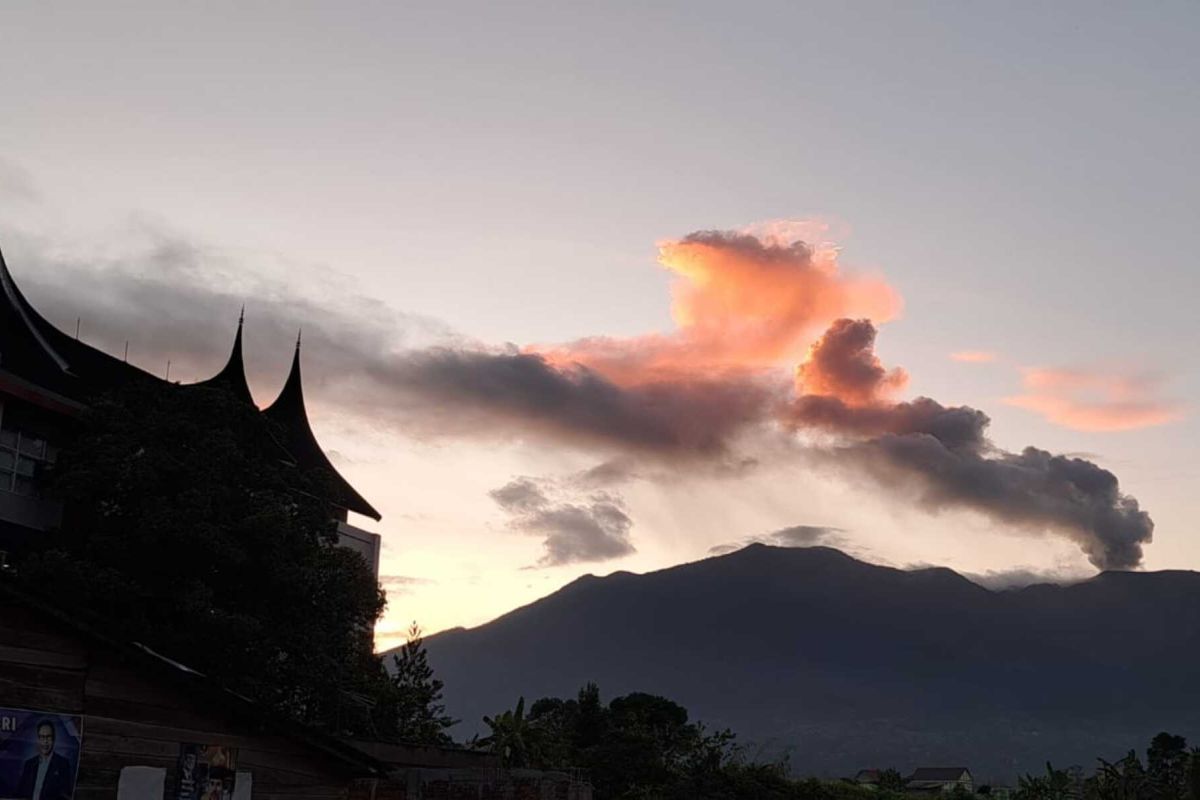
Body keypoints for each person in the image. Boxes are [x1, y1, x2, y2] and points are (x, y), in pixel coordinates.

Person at [17, 720, 74, 800]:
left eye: (48, 737)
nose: (45, 741)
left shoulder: (63, 764)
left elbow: (65, 795)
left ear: (53, 739)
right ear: (38, 739)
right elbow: (20, 793)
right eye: (42, 737)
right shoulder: (29, 764)